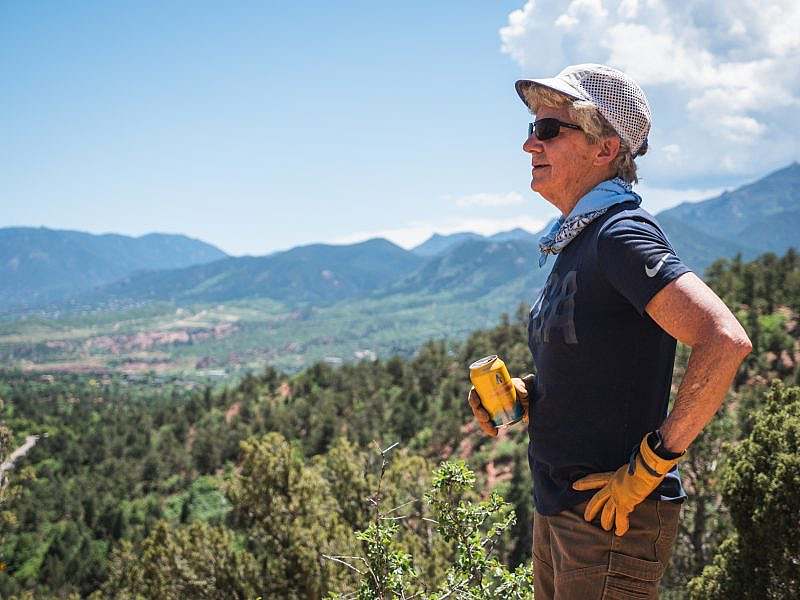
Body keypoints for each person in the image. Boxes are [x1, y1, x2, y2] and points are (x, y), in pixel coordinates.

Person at [467, 64, 752, 599]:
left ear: (605, 148)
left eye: (550, 129)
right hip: (565, 514)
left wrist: (650, 466)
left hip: (610, 521)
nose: (530, 144)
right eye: (531, 129)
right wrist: (528, 395)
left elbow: (724, 338)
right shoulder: (580, 239)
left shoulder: (620, 234)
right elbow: (605, 361)